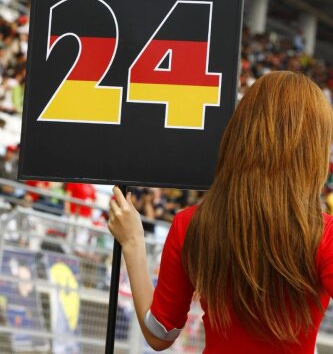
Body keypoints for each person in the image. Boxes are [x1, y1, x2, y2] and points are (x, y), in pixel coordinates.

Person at [108, 71, 333, 353]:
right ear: (313, 150)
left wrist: (132, 243)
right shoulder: (324, 235)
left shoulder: (191, 224)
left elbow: (159, 333)